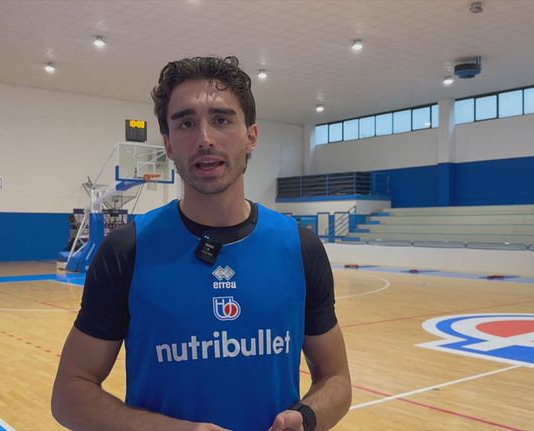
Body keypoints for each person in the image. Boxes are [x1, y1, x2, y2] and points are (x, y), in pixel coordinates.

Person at [52, 56, 351, 431]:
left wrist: (307, 418)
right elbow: (70, 395)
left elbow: (336, 378)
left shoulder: (299, 247)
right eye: (186, 123)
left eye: (222, 120)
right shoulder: (127, 250)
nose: (205, 138)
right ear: (168, 144)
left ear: (251, 137)